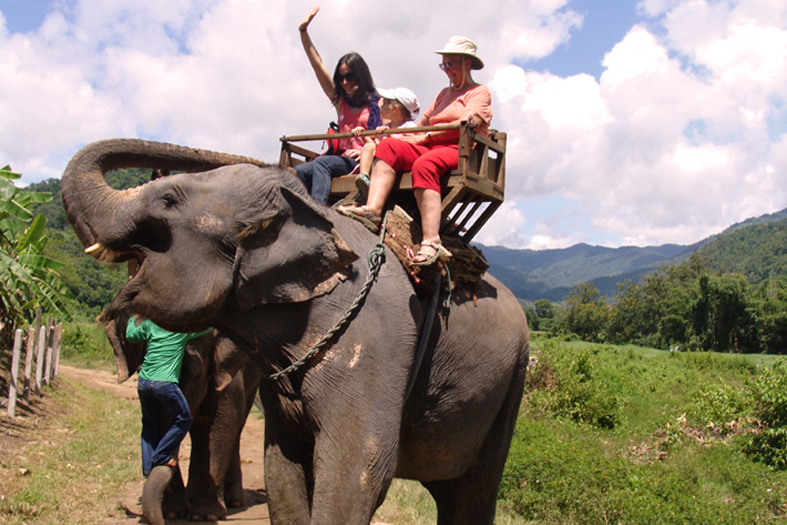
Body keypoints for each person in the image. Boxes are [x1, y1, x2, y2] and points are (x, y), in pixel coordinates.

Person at [338, 36, 492, 264]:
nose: (447, 70)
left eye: (451, 64)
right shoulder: (443, 94)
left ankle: (432, 241)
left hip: (459, 149)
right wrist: (395, 135)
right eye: (444, 65)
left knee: (425, 164)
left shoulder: (478, 92)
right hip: (430, 145)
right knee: (390, 147)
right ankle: (373, 210)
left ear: (466, 63)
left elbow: (465, 122)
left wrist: (427, 135)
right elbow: (423, 124)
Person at [296, 6, 381, 204]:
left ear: (360, 75)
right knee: (299, 171)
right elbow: (317, 65)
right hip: (341, 158)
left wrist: (365, 151)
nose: (345, 82)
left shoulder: (377, 103)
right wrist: (303, 33)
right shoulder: (341, 101)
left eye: (350, 76)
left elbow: (386, 135)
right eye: (340, 77)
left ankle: (318, 210)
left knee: (321, 164)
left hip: (360, 161)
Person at [126, 316, 212, 477]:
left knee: (149, 423)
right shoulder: (180, 332)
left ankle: (147, 467)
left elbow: (131, 335)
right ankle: (161, 455)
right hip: (165, 385)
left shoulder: (150, 324)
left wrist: (132, 319)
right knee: (184, 419)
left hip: (144, 383)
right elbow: (206, 328)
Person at [352, 87, 420, 199]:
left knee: (377, 150)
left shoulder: (409, 126)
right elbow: (377, 143)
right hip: (381, 159)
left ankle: (368, 183)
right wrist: (362, 134)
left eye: (384, 104)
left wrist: (388, 135)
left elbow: (408, 144)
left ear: (395, 109)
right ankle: (363, 176)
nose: (380, 107)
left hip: (394, 164)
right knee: (370, 146)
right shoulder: (385, 127)